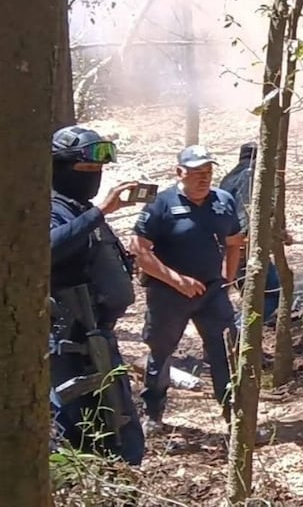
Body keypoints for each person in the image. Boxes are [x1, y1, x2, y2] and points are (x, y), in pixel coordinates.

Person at [49, 125, 145, 464]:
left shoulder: (80, 207)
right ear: (58, 168)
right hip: (67, 340)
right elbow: (47, 249)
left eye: (99, 170)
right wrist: (100, 211)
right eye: (86, 170)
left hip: (99, 335)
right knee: (79, 427)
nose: (94, 177)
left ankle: (119, 484)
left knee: (121, 426)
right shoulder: (52, 207)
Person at [131, 145, 245, 432]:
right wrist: (176, 280)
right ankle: (153, 413)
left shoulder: (224, 201)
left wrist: (227, 279)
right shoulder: (161, 204)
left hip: (211, 293)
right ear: (179, 172)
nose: (203, 178)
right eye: (196, 172)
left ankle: (235, 418)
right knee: (161, 351)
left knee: (226, 352)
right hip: (168, 294)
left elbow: (234, 242)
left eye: (207, 172)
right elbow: (140, 251)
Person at [218, 142, 283, 325]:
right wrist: (243, 244)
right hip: (243, 246)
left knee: (250, 294)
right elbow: (247, 214)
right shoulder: (253, 176)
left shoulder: (230, 177)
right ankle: (238, 332)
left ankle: (237, 336)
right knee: (270, 293)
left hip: (229, 245)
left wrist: (279, 233)